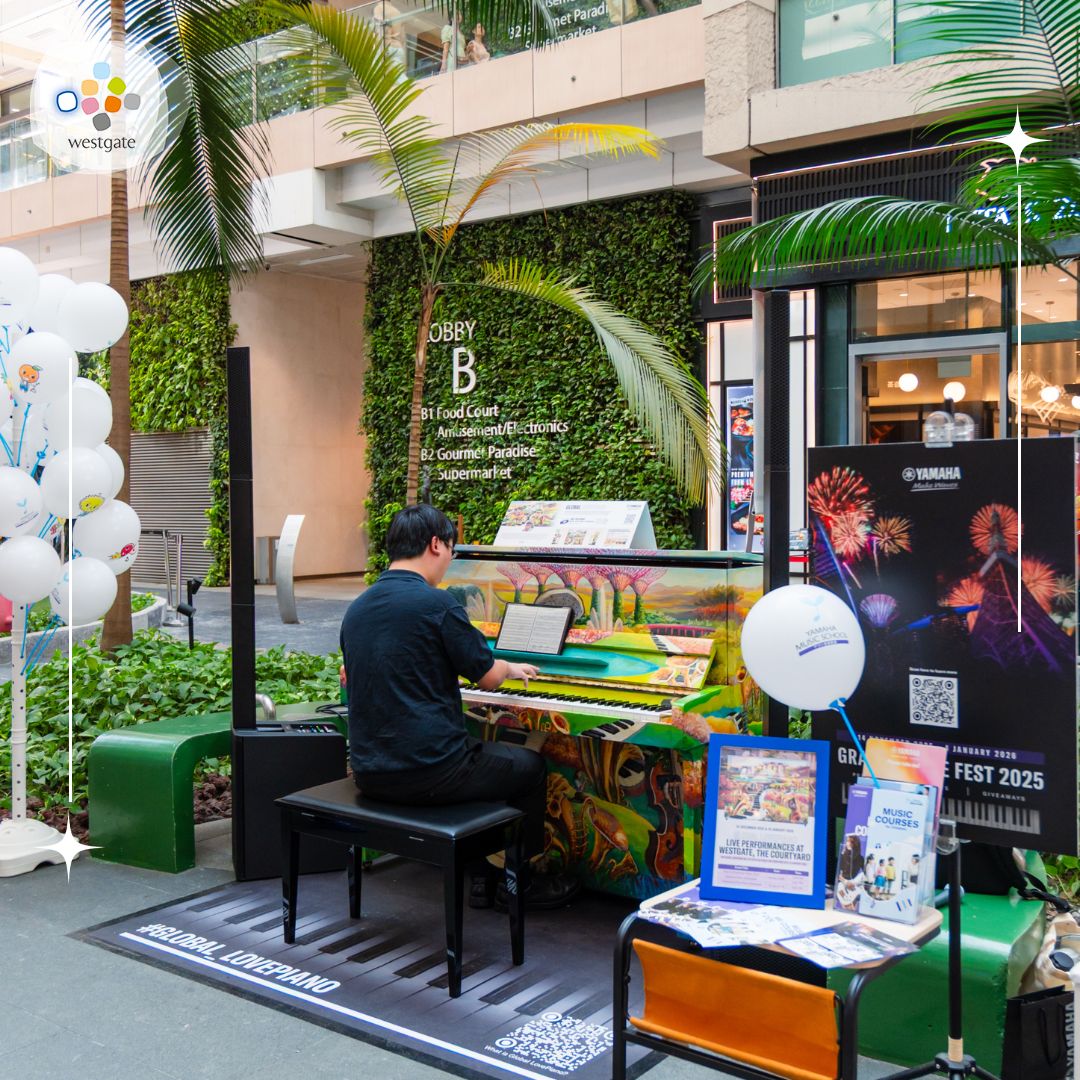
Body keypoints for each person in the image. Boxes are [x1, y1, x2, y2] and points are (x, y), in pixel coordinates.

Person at [340, 504, 579, 909]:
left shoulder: (357, 609)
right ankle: (520, 882)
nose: (450, 562)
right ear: (435, 544)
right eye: (452, 550)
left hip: (371, 771)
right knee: (530, 768)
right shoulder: (437, 605)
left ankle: (483, 872)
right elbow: (487, 677)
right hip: (431, 772)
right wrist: (508, 664)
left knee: (484, 753)